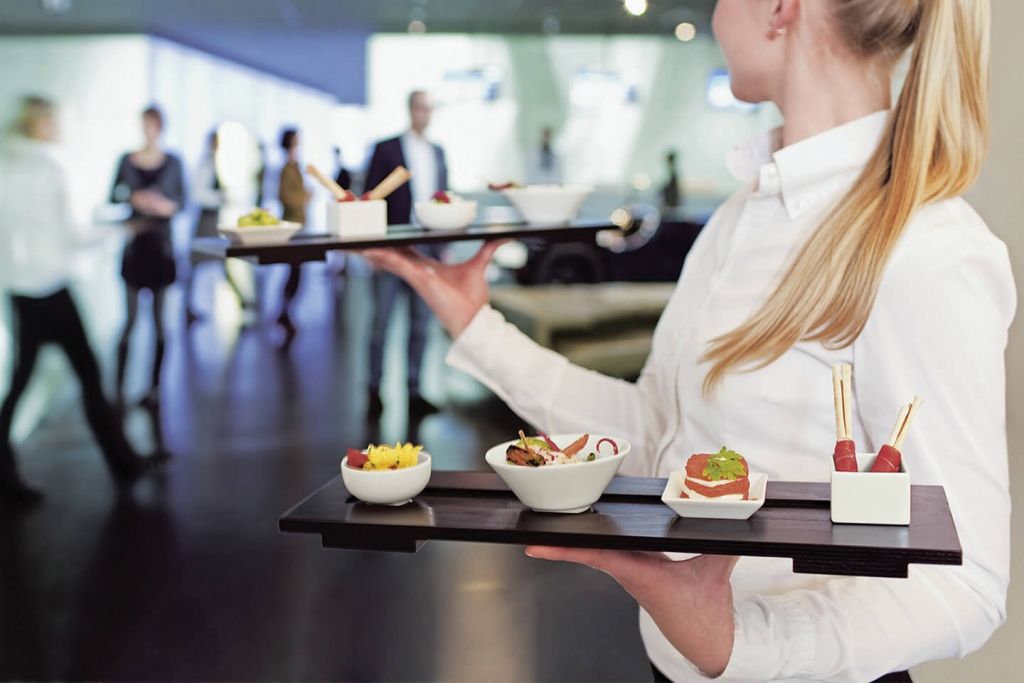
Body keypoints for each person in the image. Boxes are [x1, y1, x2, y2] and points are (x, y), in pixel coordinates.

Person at [363, 1, 1011, 680]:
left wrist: (739, 642)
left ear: (781, 8)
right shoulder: (738, 219)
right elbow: (658, 433)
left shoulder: (927, 250)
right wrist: (474, 322)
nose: (712, 14)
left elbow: (966, 580)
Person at [0, 96, 152, 507]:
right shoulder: (53, 165)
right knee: (86, 373)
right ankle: (125, 463)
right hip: (51, 284)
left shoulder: (7, 165)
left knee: (20, 382)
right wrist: (124, 228)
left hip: (20, 287)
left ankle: (7, 470)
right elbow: (75, 234)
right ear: (45, 122)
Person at [365, 90, 448, 418]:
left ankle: (414, 390)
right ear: (409, 109)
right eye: (419, 107)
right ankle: (374, 388)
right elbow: (372, 196)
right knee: (381, 322)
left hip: (426, 248)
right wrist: (372, 247)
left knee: (420, 323)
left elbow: (444, 198)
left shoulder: (438, 152)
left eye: (429, 108)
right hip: (392, 246)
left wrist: (445, 247)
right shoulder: (387, 149)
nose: (423, 114)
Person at [110, 106, 185, 410]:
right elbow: (113, 193)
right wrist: (133, 197)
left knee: (158, 322)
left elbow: (182, 200)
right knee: (129, 321)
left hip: (161, 248)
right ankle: (117, 389)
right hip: (135, 247)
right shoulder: (127, 160)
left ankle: (154, 388)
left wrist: (166, 206)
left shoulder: (173, 162)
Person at [185, 130, 247, 324]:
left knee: (219, 262)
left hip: (212, 220)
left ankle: (242, 300)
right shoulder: (206, 164)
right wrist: (220, 197)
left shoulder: (213, 162)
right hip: (205, 221)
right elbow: (199, 194)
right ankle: (242, 301)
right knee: (200, 263)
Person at [276, 128, 311, 340]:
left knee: (296, 274)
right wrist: (304, 197)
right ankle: (284, 313)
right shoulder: (286, 169)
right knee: (294, 273)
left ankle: (285, 312)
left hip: (300, 225)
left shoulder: (295, 166)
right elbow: (286, 197)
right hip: (292, 227)